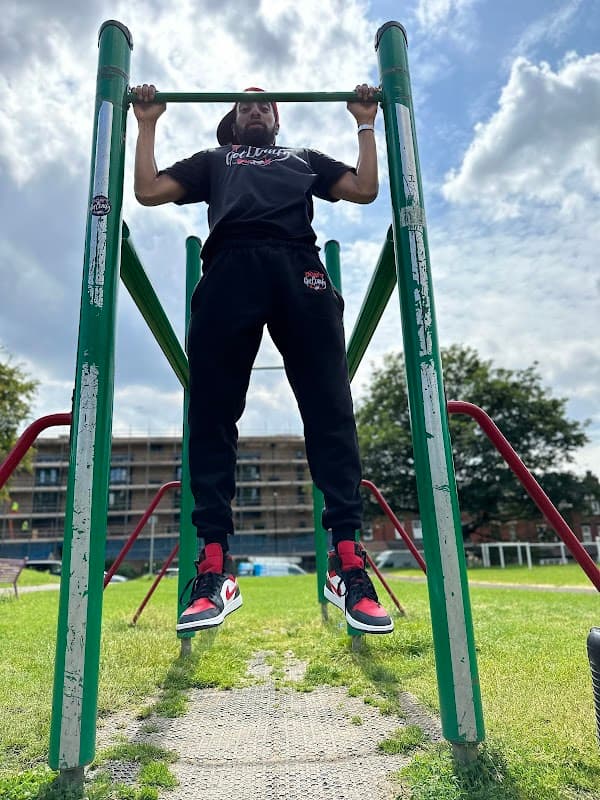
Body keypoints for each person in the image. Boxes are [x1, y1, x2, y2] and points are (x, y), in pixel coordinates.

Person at [133, 83, 393, 636]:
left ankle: (347, 561)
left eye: (265, 105)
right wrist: (149, 121)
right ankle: (213, 566)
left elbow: (366, 188)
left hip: (299, 265)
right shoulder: (215, 159)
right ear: (232, 120)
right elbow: (148, 190)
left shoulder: (304, 159)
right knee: (211, 412)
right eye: (245, 104)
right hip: (229, 268)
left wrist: (364, 121)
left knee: (330, 408)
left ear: (276, 119)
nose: (255, 109)